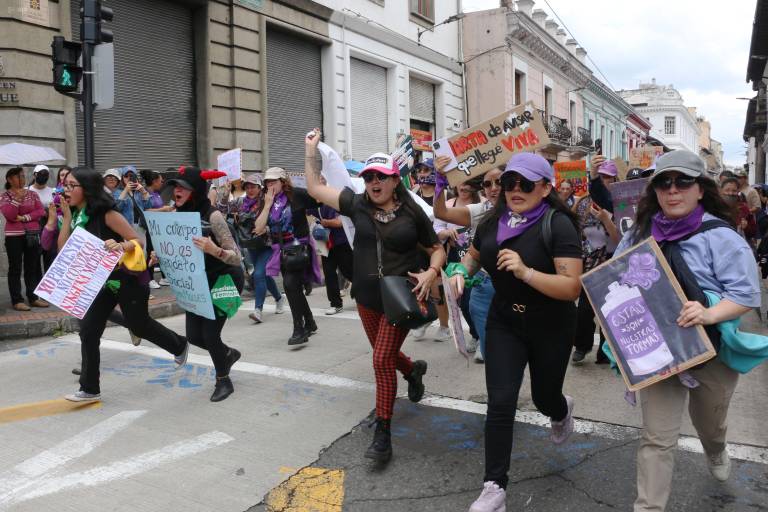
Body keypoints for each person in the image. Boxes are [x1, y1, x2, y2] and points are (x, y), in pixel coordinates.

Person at [613, 150, 760, 512]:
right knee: (656, 438)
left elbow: (745, 294)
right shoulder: (637, 236)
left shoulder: (721, 237)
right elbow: (613, 283)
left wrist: (709, 313)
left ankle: (715, 448)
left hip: (711, 349)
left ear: (700, 189)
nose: (673, 190)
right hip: (659, 351)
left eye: (683, 182)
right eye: (664, 183)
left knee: (710, 423)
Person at [447, 153, 582, 512]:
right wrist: (460, 270)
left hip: (550, 323)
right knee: (501, 401)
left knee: (543, 397)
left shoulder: (559, 224)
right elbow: (473, 255)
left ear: (546, 187)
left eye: (525, 184)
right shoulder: (493, 221)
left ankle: (560, 409)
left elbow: (572, 288)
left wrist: (525, 272)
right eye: (509, 183)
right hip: (504, 320)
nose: (515, 190)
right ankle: (494, 488)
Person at [304, 129, 445, 462]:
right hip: (366, 296)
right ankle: (412, 370)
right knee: (387, 355)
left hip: (399, 297)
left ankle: (383, 432)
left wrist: (431, 271)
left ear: (395, 180)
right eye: (368, 177)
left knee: (381, 359)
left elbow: (437, 248)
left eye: (380, 176)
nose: (373, 182)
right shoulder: (357, 205)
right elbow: (314, 188)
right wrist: (311, 150)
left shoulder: (413, 213)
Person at [58, 167, 189, 402]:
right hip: (100, 281)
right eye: (65, 185)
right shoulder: (77, 215)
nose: (65, 190)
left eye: (71, 185)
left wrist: (120, 246)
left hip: (127, 279)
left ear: (86, 189)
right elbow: (63, 252)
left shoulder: (107, 214)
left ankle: (179, 344)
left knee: (139, 326)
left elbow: (137, 241)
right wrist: (66, 219)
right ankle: (89, 388)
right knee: (88, 331)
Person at [163, 167, 244, 402]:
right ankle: (227, 354)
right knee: (194, 336)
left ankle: (223, 379)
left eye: (183, 187)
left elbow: (236, 257)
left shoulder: (213, 216)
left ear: (196, 191)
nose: (176, 190)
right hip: (196, 282)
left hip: (223, 280)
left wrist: (213, 249)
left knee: (210, 335)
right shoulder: (175, 214)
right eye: (175, 186)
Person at [433, 164, 504, 364]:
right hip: (484, 285)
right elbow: (441, 212)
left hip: (517, 290)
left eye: (499, 181)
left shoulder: (526, 210)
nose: (493, 188)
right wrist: (441, 183)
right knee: (494, 355)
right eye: (487, 184)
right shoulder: (481, 210)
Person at [254, 166, 321, 345]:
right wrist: (267, 205)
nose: (270, 185)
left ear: (283, 182)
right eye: (267, 182)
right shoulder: (266, 200)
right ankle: (311, 322)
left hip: (299, 248)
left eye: (273, 181)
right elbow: (258, 228)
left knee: (290, 285)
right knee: (294, 288)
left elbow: (319, 201)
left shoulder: (296, 195)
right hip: (281, 252)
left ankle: (299, 329)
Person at [571, 159, 620, 365]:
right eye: (601, 176)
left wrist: (606, 218)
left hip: (612, 262)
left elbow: (621, 238)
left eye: (609, 177)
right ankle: (581, 345)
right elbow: (574, 229)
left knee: (611, 310)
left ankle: (605, 351)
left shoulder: (621, 203)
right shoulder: (583, 202)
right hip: (588, 262)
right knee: (584, 310)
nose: (605, 180)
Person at [432, 180, 482, 349]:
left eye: (468, 184)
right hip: (455, 260)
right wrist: (446, 232)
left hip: (478, 261)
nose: (464, 187)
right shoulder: (447, 204)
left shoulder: (482, 203)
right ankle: (476, 334)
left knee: (473, 301)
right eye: (461, 183)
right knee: (461, 302)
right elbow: (436, 228)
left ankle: (482, 338)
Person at [240, 173, 285, 323]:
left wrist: (265, 227)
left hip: (267, 244)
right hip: (251, 245)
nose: (250, 189)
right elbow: (222, 207)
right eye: (247, 187)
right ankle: (279, 298)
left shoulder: (266, 201)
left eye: (253, 186)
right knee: (264, 275)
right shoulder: (242, 202)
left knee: (258, 274)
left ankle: (258, 310)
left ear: (260, 188)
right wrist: (226, 192)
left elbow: (274, 218)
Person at [1, 167, 47, 311]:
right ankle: (17, 300)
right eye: (18, 176)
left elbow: (41, 211)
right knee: (15, 268)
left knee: (31, 267)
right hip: (14, 237)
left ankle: (33, 297)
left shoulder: (32, 194)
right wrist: (17, 199)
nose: (22, 179)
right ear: (9, 179)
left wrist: (24, 217)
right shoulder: (5, 196)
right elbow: (9, 215)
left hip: (33, 234)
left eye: (23, 176)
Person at [309, 178, 354, 316]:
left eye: (322, 180)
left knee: (349, 271)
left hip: (341, 242)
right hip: (325, 244)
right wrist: (315, 225)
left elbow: (340, 222)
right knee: (329, 273)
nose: (319, 182)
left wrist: (325, 222)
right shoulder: (312, 201)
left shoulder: (335, 198)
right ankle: (335, 304)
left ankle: (366, 292)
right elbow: (309, 216)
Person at [139, 170, 172, 289]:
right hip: (149, 228)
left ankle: (164, 277)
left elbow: (160, 207)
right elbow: (146, 211)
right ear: (154, 181)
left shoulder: (157, 193)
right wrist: (164, 209)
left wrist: (168, 208)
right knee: (151, 252)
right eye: (161, 180)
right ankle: (150, 278)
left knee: (161, 251)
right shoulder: (145, 194)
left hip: (159, 228)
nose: (162, 183)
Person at [28, 165, 57, 270]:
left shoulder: (53, 191)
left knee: (49, 258)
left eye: (46, 174)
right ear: (35, 175)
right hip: (32, 230)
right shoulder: (27, 190)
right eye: (40, 174)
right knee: (33, 261)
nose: (43, 176)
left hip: (48, 227)